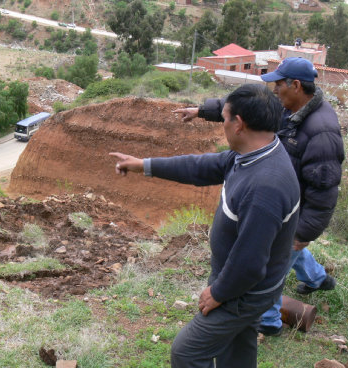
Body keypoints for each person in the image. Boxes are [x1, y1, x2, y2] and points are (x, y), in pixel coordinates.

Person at [110, 84, 300, 368]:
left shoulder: (265, 187)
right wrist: (143, 165)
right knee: (236, 350)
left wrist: (219, 292)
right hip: (244, 286)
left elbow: (250, 263)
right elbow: (200, 167)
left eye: (223, 118)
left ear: (239, 124)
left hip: (244, 293)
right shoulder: (254, 153)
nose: (221, 124)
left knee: (187, 352)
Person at [174, 57, 345, 336]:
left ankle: (268, 322)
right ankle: (317, 279)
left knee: (271, 266)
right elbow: (244, 111)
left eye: (278, 84)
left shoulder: (322, 131)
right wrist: (201, 110)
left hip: (293, 208)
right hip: (280, 201)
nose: (274, 90)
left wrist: (303, 233)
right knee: (289, 248)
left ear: (296, 85)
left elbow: (325, 192)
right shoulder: (288, 107)